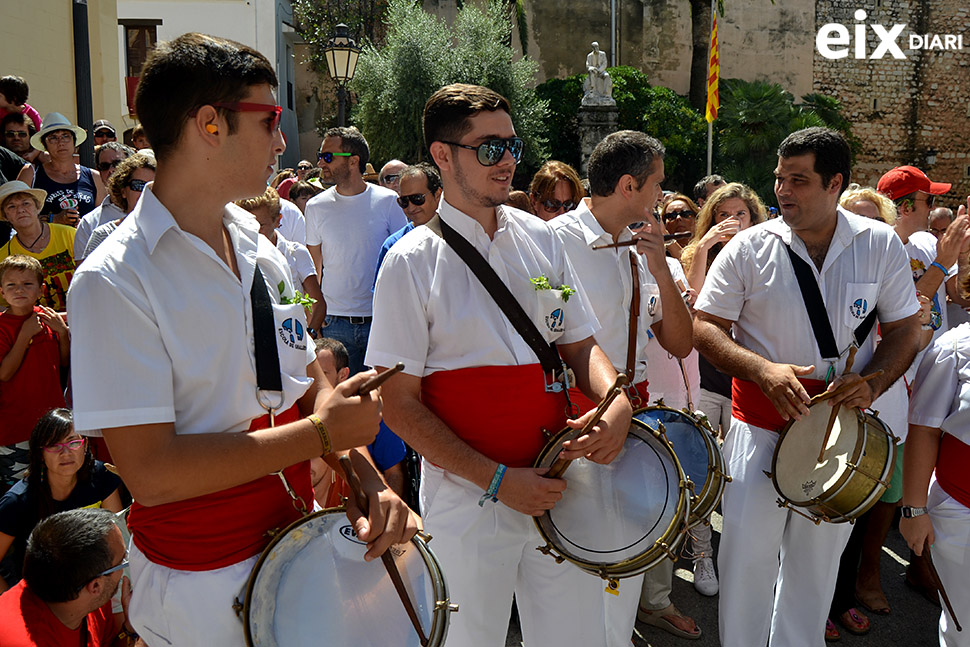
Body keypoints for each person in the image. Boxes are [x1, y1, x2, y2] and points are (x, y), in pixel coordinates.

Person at [66, 33, 417, 646]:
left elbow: (307, 388)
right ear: (208, 124)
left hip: (293, 551)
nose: (282, 141)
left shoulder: (263, 251)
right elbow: (150, 474)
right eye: (270, 119)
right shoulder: (112, 278)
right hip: (198, 583)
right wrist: (325, 436)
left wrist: (367, 479)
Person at [369, 82, 633, 647]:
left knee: (578, 637)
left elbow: (581, 346)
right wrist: (496, 480)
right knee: (468, 639)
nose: (509, 160)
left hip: (561, 479)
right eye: (490, 148)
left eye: (513, 145)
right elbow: (397, 405)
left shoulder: (541, 238)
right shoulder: (410, 263)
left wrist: (616, 402)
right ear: (443, 156)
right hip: (471, 497)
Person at [693, 127, 922, 647]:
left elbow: (907, 328)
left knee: (815, 574)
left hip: (841, 435)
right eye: (779, 179)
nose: (783, 191)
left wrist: (875, 380)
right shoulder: (750, 247)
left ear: (834, 182)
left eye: (799, 180)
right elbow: (705, 326)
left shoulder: (880, 242)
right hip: (759, 429)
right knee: (746, 567)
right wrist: (760, 369)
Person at [551, 130, 697, 644]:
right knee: (574, 566)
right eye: (658, 184)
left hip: (634, 419)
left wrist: (660, 264)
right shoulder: (554, 240)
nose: (663, 195)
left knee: (626, 559)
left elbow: (679, 342)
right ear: (631, 184)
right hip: (574, 422)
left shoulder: (642, 249)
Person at [901, 258, 970, 647]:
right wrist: (913, 510)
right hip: (961, 512)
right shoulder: (954, 347)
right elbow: (923, 431)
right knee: (965, 627)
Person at [305, 126, 406, 375]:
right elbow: (312, 268)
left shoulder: (389, 202)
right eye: (320, 154)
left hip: (381, 321)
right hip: (334, 324)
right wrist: (315, 320)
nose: (320, 162)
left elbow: (404, 260)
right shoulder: (315, 206)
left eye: (327, 156)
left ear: (354, 161)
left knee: (380, 403)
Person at [0, 409, 122, 592]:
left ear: (85, 445)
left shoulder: (102, 475)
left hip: (97, 583)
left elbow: (117, 540)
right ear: (41, 454)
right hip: (41, 594)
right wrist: (8, 603)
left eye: (73, 443)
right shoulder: (16, 502)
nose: (65, 453)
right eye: (54, 446)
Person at [0, 508, 138, 647]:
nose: (126, 562)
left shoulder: (84, 590)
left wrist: (130, 628)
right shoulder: (19, 641)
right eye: (122, 561)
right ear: (96, 586)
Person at [309, 337, 409, 506]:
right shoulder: (293, 412)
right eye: (310, 374)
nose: (313, 381)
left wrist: (384, 509)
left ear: (343, 375)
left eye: (323, 374)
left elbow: (395, 474)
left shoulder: (370, 413)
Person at [0, 255, 69, 491]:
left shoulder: (47, 317)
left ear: (40, 289)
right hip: (15, 431)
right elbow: (4, 374)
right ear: (1, 292)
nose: (19, 290)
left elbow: (62, 363)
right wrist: (24, 336)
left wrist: (61, 334)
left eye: (27, 284)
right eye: (11, 285)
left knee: (57, 487)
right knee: (20, 494)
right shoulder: (2, 327)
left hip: (52, 425)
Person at [235, 185, 324, 333]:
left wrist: (309, 336)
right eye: (247, 225)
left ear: (277, 220)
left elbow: (318, 304)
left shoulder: (296, 253)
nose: (254, 231)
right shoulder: (236, 255)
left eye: (261, 225)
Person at [17, 113, 106, 224]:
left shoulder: (94, 177)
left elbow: (103, 220)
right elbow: (16, 215)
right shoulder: (31, 173)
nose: (61, 142)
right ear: (44, 145)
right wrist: (53, 219)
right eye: (53, 138)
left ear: (74, 142)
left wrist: (84, 225)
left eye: (65, 136)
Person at [0, 181, 76, 312]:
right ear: (6, 216)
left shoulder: (69, 234)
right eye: (11, 207)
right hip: (38, 326)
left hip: (82, 314)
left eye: (26, 203)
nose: (20, 210)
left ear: (37, 207)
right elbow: (4, 306)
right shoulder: (3, 256)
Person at [373, 162, 442, 282]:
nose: (411, 207)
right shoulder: (392, 245)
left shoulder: (461, 234)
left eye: (417, 199)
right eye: (404, 201)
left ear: (437, 195)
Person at [83, 152, 156, 258]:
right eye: (138, 185)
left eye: (152, 187)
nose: (145, 192)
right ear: (123, 191)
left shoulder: (172, 234)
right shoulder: (104, 235)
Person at [74, 142, 135, 262]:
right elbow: (85, 276)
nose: (111, 170)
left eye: (117, 163)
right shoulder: (88, 223)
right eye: (104, 166)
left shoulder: (151, 210)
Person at [658, 192, 700, 260]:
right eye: (671, 216)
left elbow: (688, 265)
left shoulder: (707, 247)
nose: (678, 218)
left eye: (686, 214)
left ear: (697, 219)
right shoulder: (658, 253)